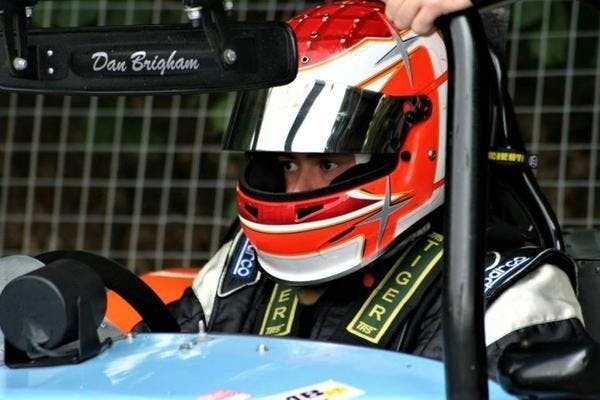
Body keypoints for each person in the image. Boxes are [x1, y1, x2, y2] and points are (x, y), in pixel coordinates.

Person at [162, 0, 588, 382]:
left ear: (421, 145)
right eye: (287, 165)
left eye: (329, 164)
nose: (299, 188)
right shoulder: (238, 267)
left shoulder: (505, 294)